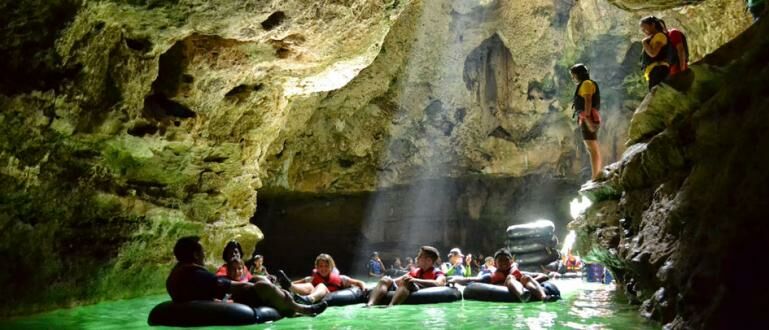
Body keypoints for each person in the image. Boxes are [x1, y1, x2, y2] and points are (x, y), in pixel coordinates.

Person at [165, 236, 327, 316]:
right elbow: (225, 285)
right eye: (202, 252)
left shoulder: (177, 273)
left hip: (216, 298)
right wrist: (256, 286)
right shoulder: (194, 274)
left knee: (260, 281)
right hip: (224, 302)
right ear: (194, 255)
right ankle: (301, 309)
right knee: (262, 286)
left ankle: (291, 297)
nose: (204, 256)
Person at [450, 248, 558, 302]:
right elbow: (471, 280)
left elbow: (544, 276)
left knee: (525, 277)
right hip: (506, 289)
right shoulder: (491, 276)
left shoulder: (517, 272)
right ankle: (523, 295)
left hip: (525, 288)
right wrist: (455, 279)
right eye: (500, 261)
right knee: (510, 278)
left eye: (506, 260)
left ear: (511, 262)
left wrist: (524, 283)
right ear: (495, 264)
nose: (503, 263)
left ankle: (544, 297)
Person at [365, 246, 447, 307]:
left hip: (418, 289)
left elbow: (438, 283)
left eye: (419, 256)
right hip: (407, 286)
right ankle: (370, 304)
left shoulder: (437, 273)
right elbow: (395, 281)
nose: (417, 258)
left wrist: (414, 280)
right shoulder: (415, 271)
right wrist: (373, 288)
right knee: (386, 279)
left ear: (428, 260)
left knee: (407, 281)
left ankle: (391, 306)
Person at [287, 253, 367, 304]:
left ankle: (309, 299)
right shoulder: (311, 278)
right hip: (314, 292)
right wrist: (290, 284)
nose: (323, 269)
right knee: (308, 284)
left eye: (326, 266)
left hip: (328, 296)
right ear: (316, 267)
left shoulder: (342, 278)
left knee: (321, 285)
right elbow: (297, 282)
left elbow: (358, 282)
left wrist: (364, 288)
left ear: (331, 267)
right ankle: (289, 287)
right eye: (321, 266)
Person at [570, 63, 602, 181]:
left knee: (592, 148)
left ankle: (596, 176)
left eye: (573, 75)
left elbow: (588, 101)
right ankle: (596, 174)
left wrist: (587, 119)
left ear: (578, 74)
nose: (573, 78)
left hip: (588, 118)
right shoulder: (585, 84)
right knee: (591, 148)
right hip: (587, 118)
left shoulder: (586, 84)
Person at [640, 16, 671, 90]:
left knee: (656, 95)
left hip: (658, 70)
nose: (643, 31)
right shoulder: (654, 37)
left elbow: (653, 53)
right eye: (642, 29)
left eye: (644, 28)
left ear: (653, 25)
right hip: (655, 71)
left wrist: (644, 42)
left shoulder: (659, 36)